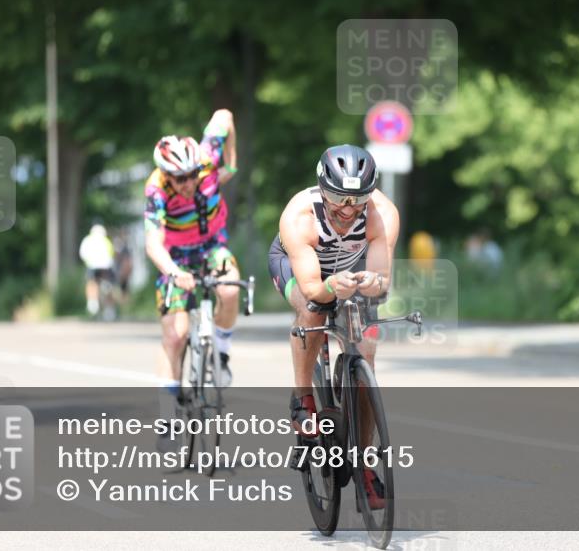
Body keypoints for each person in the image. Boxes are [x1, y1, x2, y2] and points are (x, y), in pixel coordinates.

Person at [268, 144, 399, 509]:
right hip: (304, 270)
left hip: (352, 270)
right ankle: (302, 398)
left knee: (366, 355)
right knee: (313, 311)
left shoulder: (383, 215)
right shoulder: (299, 216)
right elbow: (312, 288)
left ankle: (363, 462)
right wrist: (330, 287)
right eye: (339, 198)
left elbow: (381, 278)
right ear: (323, 191)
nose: (347, 208)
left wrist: (374, 283)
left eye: (358, 200)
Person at [144, 109, 240, 416]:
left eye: (193, 174)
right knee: (176, 334)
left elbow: (224, 116)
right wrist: (173, 272)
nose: (189, 182)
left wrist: (232, 164)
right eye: (180, 178)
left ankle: (221, 354)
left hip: (212, 243)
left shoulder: (207, 156)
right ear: (167, 175)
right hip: (175, 255)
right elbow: (152, 243)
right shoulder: (156, 189)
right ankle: (166, 411)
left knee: (229, 288)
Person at [79, 224, 115, 317]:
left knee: (91, 283)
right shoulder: (106, 241)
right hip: (105, 266)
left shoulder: (87, 240)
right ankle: (109, 309)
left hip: (92, 265)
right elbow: (111, 254)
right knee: (108, 286)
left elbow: (82, 254)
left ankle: (92, 305)